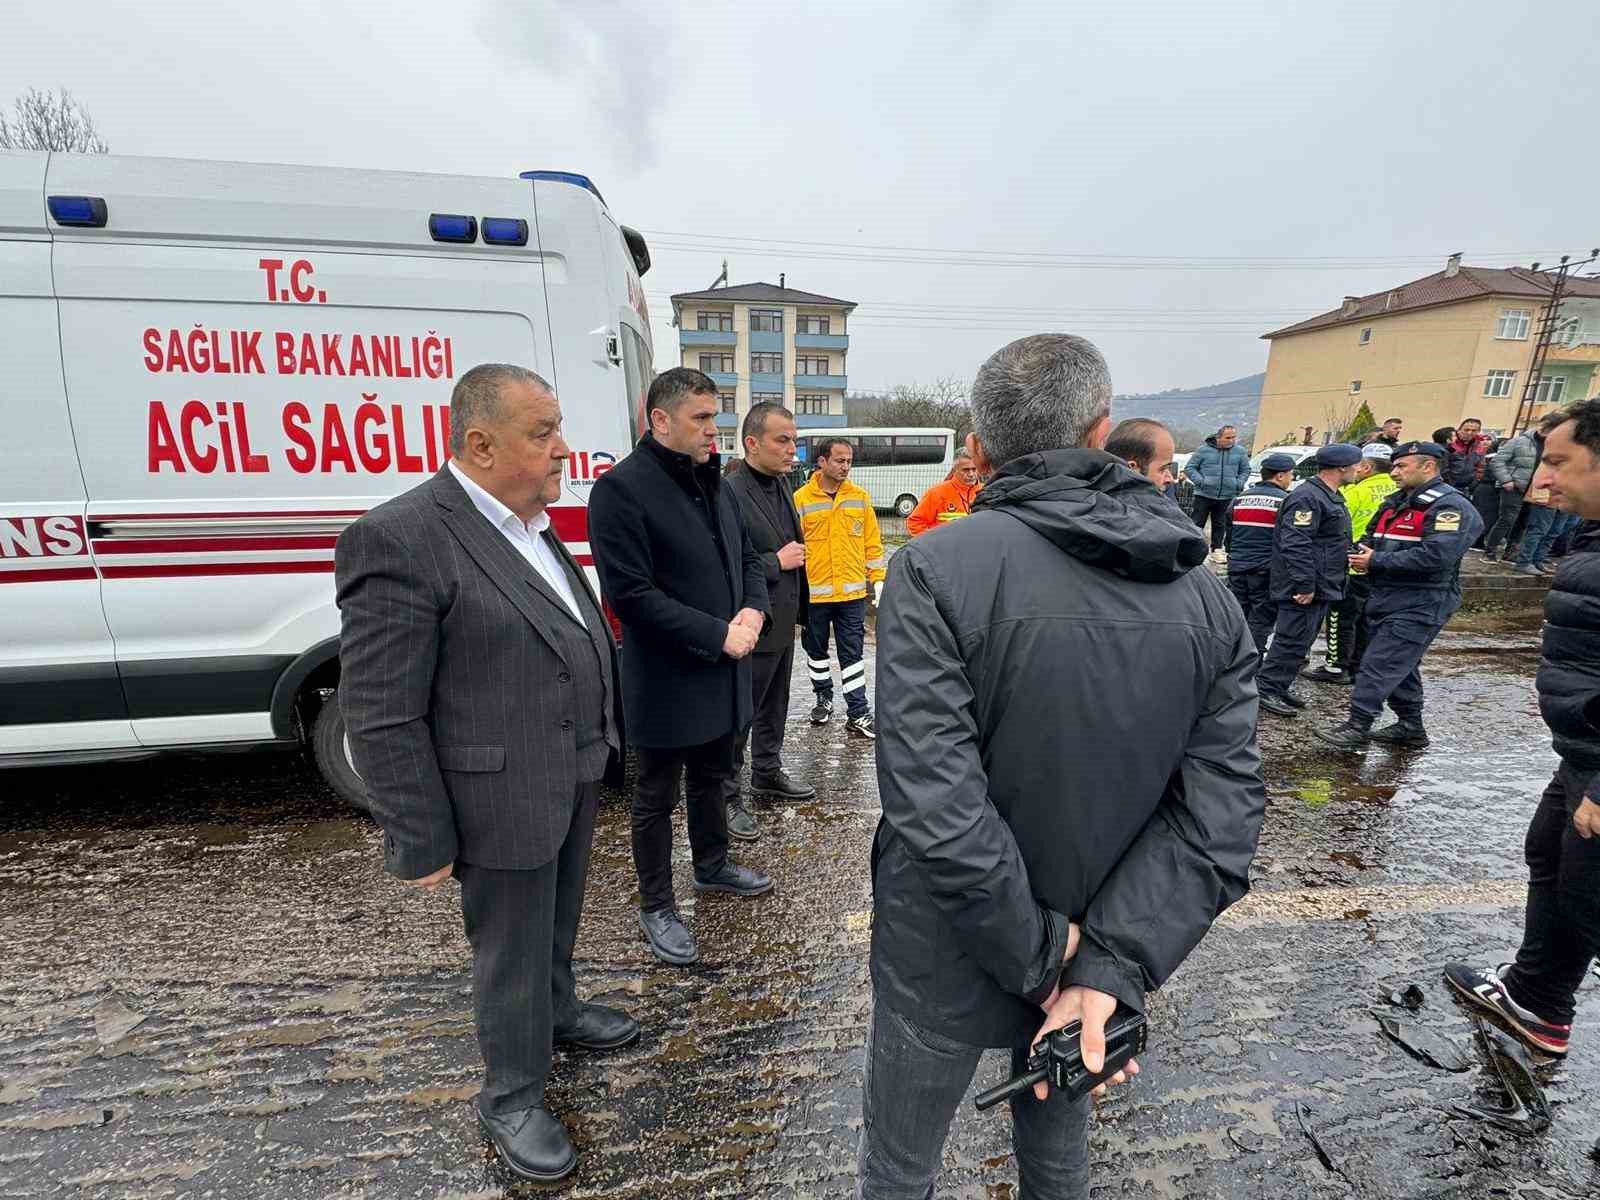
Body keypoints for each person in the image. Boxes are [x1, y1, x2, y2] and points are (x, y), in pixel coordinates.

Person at [860, 333, 1264, 1200]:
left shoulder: (932, 569)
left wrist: (1055, 959)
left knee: (900, 1165)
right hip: (1097, 948)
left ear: (975, 449)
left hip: (953, 945)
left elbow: (937, 803)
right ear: (1101, 431)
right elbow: (1218, 819)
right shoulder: (1208, 596)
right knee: (1057, 1158)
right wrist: (1099, 968)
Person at [335, 364, 636, 1184]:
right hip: (497, 795)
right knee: (508, 950)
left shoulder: (533, 524)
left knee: (558, 917)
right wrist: (419, 833)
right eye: (542, 433)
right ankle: (511, 1095)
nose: (562, 449)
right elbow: (383, 711)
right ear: (480, 442)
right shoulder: (400, 537)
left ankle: (561, 1010)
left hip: (574, 768)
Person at [588, 367, 774, 968]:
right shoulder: (622, 489)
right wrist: (717, 634)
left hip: (725, 668)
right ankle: (657, 904)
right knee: (655, 794)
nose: (711, 431)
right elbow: (630, 595)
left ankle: (713, 865)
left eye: (715, 417)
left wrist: (752, 609)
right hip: (669, 675)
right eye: (700, 419)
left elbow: (745, 556)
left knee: (714, 776)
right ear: (659, 420)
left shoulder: (713, 481)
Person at [1444, 398, 1600, 1059]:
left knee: (1590, 896)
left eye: (1560, 463)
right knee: (1552, 857)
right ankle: (1535, 1001)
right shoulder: (1591, 536)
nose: (1543, 479)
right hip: (1583, 755)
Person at [1315, 441, 1483, 749]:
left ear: (1428, 467)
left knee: (1378, 663)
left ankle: (1358, 724)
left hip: (1422, 600)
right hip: (1386, 595)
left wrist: (1376, 561)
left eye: (1401, 466)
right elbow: (1370, 538)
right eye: (1393, 466)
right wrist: (1362, 554)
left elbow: (1436, 556)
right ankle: (1411, 726)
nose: (1393, 472)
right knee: (1400, 664)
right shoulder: (1395, 502)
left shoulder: (1450, 507)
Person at [722, 401, 815, 842]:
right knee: (740, 712)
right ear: (752, 442)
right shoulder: (730, 491)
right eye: (783, 440)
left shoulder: (780, 485)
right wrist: (776, 563)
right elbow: (726, 564)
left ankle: (766, 771)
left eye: (794, 440)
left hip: (782, 622)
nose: (792, 449)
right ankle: (725, 793)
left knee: (774, 705)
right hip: (751, 624)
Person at [1255, 444, 1361, 717]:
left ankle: (1279, 686)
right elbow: (1295, 544)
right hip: (1304, 586)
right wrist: (1305, 584)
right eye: (1355, 465)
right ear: (1341, 468)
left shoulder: (1329, 495)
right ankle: (1266, 688)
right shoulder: (1308, 497)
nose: (1358, 470)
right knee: (1290, 639)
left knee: (1302, 641)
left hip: (1322, 583)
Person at [794, 438, 886, 738]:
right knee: (816, 652)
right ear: (822, 462)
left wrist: (879, 578)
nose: (846, 466)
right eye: (839, 460)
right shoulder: (800, 500)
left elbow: (872, 543)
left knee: (853, 655)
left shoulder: (859, 498)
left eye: (849, 461)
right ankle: (823, 697)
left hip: (851, 596)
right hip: (814, 595)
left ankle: (858, 712)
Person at [1303, 443, 1397, 685]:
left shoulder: (1355, 492)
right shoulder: (1395, 490)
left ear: (1366, 466)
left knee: (1340, 615)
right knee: (1364, 616)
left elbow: (1338, 528)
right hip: (1376, 560)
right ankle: (1358, 664)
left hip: (1351, 561)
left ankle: (1336, 665)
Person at [1225, 451, 1297, 653]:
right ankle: (1250, 661)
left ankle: (1231, 656)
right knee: (1261, 619)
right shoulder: (1286, 501)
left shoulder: (1239, 499)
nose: (1291, 480)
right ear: (1280, 476)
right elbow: (1289, 540)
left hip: (1238, 566)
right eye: (1290, 475)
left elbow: (1229, 535)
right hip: (1265, 571)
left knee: (1238, 615)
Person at [1181, 423, 1250, 563]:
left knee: (1220, 524)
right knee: (1197, 523)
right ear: (1218, 437)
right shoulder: (1203, 450)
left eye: (1234, 437)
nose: (1232, 440)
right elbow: (1190, 468)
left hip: (1227, 495)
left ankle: (1216, 551)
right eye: (1228, 437)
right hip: (1204, 494)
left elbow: (1245, 470)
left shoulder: (1240, 451)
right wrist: (1202, 481)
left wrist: (1239, 483)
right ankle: (1192, 549)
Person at [1483, 423, 1545, 561]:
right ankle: (1490, 551)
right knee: (1507, 518)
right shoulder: (1518, 441)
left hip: (1533, 488)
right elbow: (1497, 461)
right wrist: (1506, 480)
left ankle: (1510, 551)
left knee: (1523, 521)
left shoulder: (1552, 445)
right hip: (1514, 486)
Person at [907, 446, 983, 535]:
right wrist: (934, 543)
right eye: (966, 470)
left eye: (974, 469)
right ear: (955, 470)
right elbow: (914, 523)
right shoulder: (937, 493)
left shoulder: (987, 491)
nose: (971, 474)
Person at [1446, 418, 1489, 492]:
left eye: (1474, 431)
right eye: (1466, 430)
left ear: (1478, 431)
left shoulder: (1480, 445)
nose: (1469, 433)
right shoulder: (1450, 442)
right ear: (1459, 430)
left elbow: (1481, 465)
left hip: (1467, 487)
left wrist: (1475, 481)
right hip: (1447, 485)